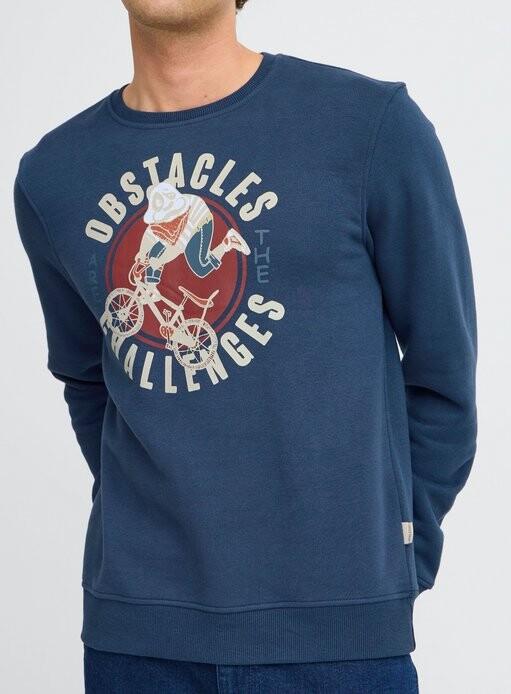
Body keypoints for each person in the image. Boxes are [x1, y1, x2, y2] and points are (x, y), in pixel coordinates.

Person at [14, 0, 477, 692]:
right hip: (137, 645)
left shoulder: (370, 128)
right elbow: (88, 380)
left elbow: (444, 376)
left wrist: (395, 559)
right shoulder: (54, 175)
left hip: (341, 641)